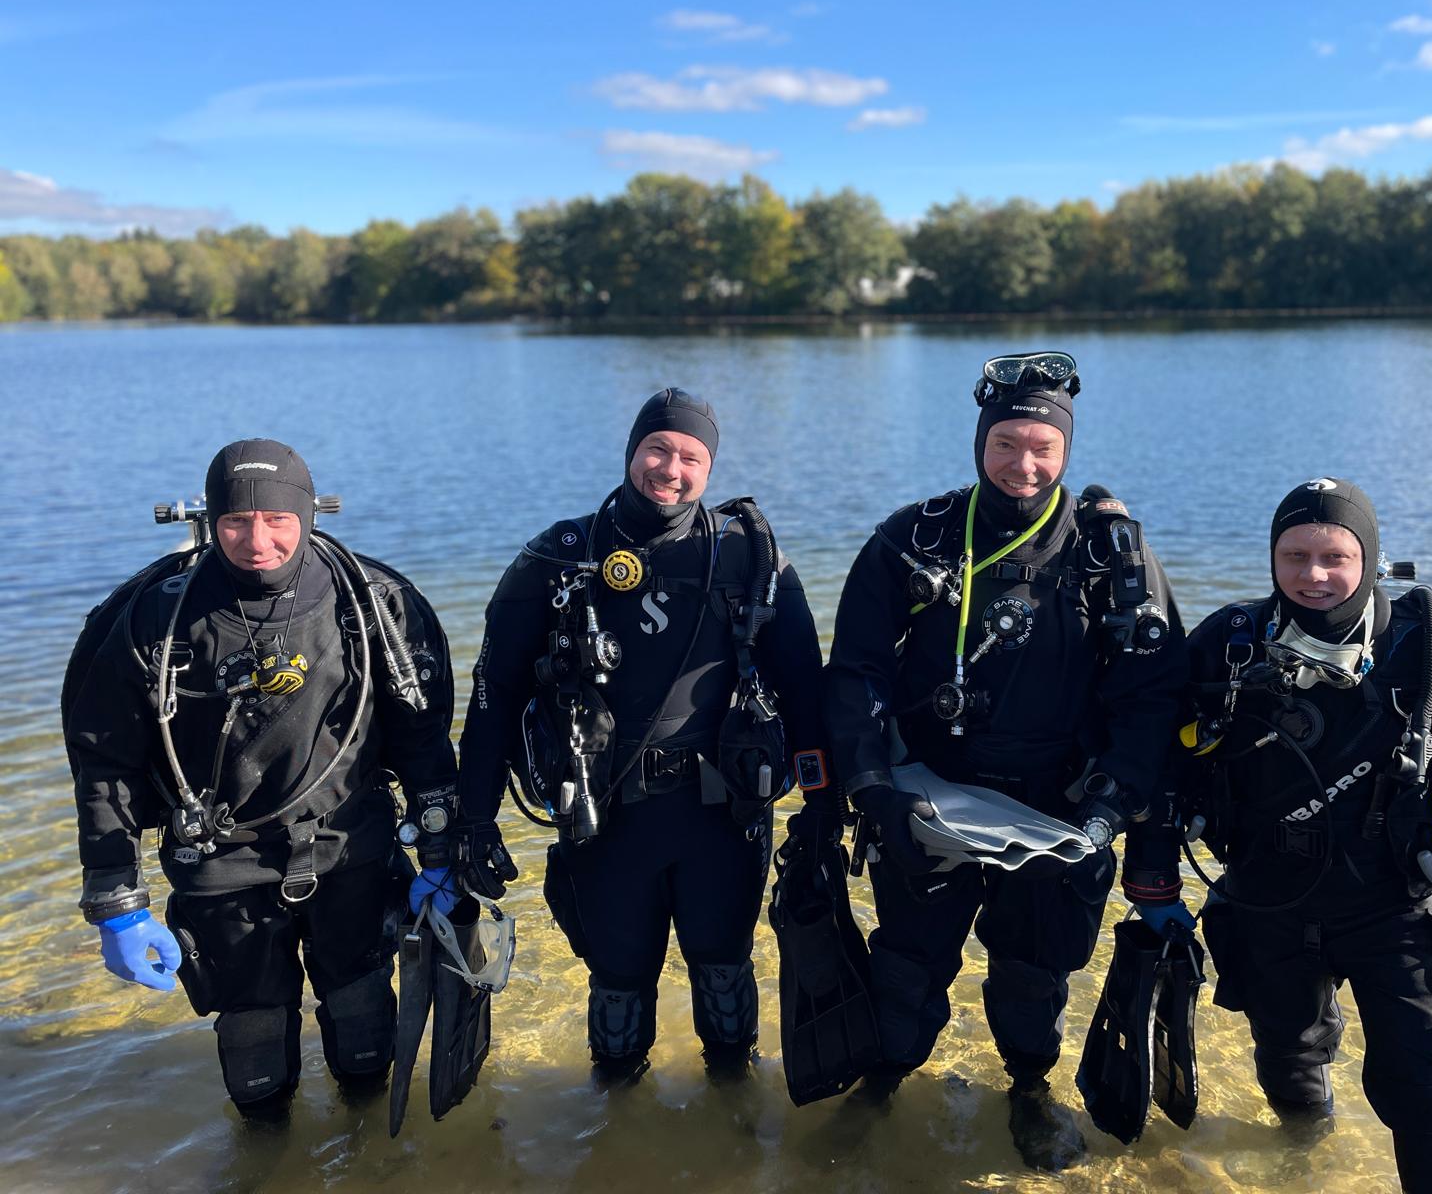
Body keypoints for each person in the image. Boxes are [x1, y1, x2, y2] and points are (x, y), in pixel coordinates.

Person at [823, 352, 1190, 1169]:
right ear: (980, 441)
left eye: (1043, 448)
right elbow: (855, 672)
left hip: (1055, 805)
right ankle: (881, 1081)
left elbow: (1153, 694)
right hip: (928, 794)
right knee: (907, 960)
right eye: (1005, 444)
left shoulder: (1111, 557)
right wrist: (870, 785)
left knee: (1034, 970)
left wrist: (1111, 804)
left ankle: (1028, 1086)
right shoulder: (914, 538)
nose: (1023, 464)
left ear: (1066, 450)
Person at [64, 439, 459, 1119]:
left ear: (308, 514)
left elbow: (423, 738)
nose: (257, 542)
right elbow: (106, 767)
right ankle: (267, 1146)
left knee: (364, 1029)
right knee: (254, 1055)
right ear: (212, 520)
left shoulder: (374, 604)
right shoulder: (154, 621)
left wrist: (442, 852)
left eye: (277, 520)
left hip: (350, 850)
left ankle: (369, 1150)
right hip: (219, 864)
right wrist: (116, 900)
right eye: (236, 522)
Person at [454, 388, 832, 1084]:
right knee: (618, 988)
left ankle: (734, 1109)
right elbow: (493, 694)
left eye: (691, 457)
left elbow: (807, 688)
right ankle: (615, 1114)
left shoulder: (750, 557)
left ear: (709, 468)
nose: (671, 469)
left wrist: (823, 805)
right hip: (606, 815)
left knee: (724, 974)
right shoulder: (559, 557)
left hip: (723, 816)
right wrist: (475, 819)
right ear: (632, 451)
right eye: (658, 449)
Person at [1179, 477, 1432, 1194]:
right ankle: (1303, 1167)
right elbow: (1163, 759)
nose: (1313, 575)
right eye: (1295, 556)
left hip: (1393, 906)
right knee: (1287, 1056)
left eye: (1335, 557)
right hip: (1267, 899)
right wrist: (1154, 880)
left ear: (1370, 560)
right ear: (1272, 558)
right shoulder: (1229, 644)